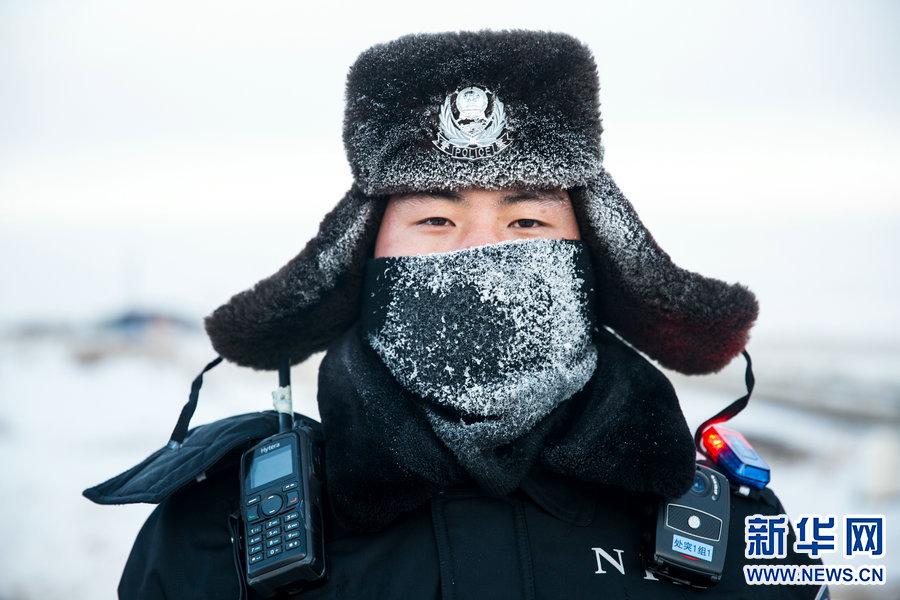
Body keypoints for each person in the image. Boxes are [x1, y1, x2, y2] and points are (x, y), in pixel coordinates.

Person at [85, 30, 828, 599]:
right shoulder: (217, 538)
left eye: (527, 221)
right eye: (435, 220)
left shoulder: (741, 536)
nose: (481, 252)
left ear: (592, 256)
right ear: (365, 258)